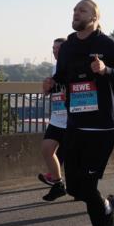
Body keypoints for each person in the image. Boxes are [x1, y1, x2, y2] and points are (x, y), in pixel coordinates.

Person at [46, 0, 114, 226]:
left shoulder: (108, 44)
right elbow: (63, 78)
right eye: (74, 10)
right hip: (75, 123)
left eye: (82, 10)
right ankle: (107, 207)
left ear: (95, 17)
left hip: (102, 125)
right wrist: (52, 84)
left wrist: (106, 70)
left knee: (87, 184)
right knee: (74, 186)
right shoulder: (69, 47)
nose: (76, 14)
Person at [40, 37, 70, 202]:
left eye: (58, 48)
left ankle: (78, 187)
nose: (55, 51)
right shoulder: (54, 68)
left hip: (71, 118)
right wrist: (46, 87)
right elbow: (48, 92)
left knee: (71, 157)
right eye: (53, 48)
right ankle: (58, 183)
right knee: (46, 149)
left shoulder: (72, 66)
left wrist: (70, 94)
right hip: (57, 117)